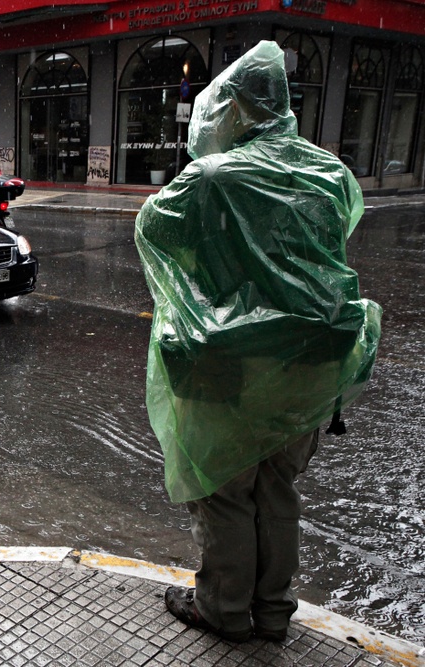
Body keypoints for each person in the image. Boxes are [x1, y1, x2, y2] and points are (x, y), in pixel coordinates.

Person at [134, 41, 380, 643]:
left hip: (233, 357)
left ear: (238, 108)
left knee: (226, 491)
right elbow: (336, 238)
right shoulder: (329, 172)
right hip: (313, 360)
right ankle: (273, 611)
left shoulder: (215, 176)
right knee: (277, 487)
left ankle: (224, 608)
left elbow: (154, 228)